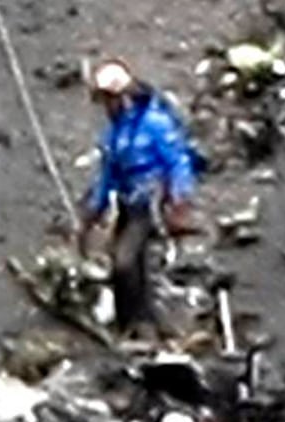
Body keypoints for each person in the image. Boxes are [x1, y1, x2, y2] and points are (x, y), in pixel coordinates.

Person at [75, 58, 200, 336]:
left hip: (151, 203)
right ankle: (129, 326)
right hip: (127, 205)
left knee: (126, 261)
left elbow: (178, 161)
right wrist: (93, 213)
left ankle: (141, 324)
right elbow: (108, 177)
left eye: (109, 100)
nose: (107, 107)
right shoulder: (114, 135)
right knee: (124, 266)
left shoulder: (154, 124)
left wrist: (179, 199)